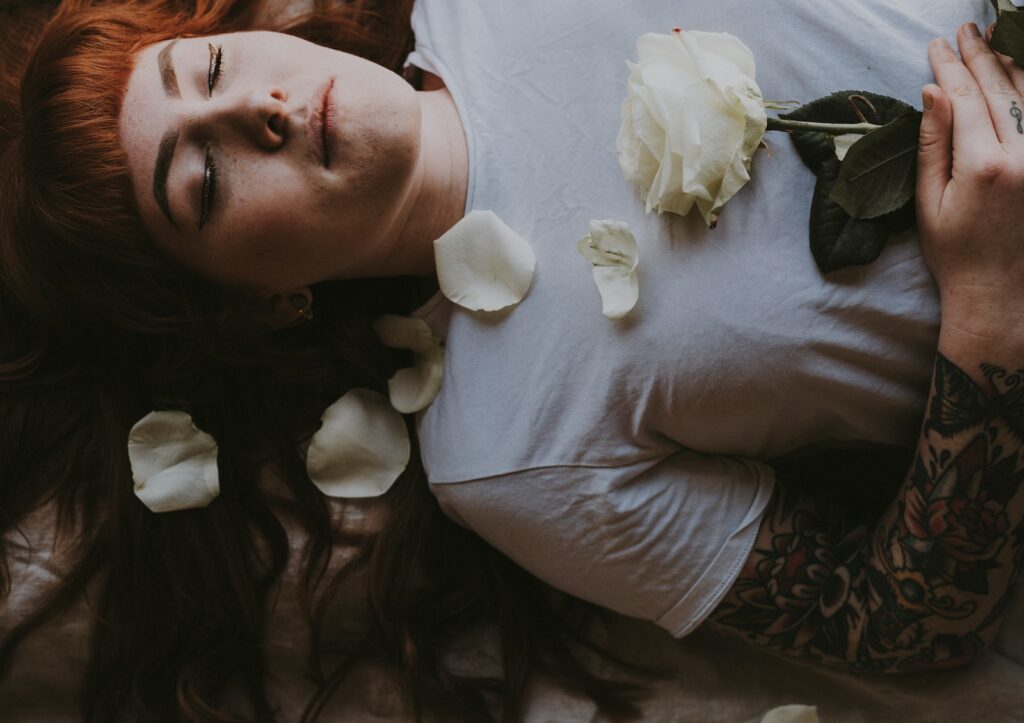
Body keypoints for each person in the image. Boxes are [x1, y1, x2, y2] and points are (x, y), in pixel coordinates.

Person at [0, 0, 1020, 719]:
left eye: (212, 66)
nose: (251, 107)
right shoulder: (508, 455)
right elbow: (901, 622)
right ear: (256, 309)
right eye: (205, 179)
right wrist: (989, 306)